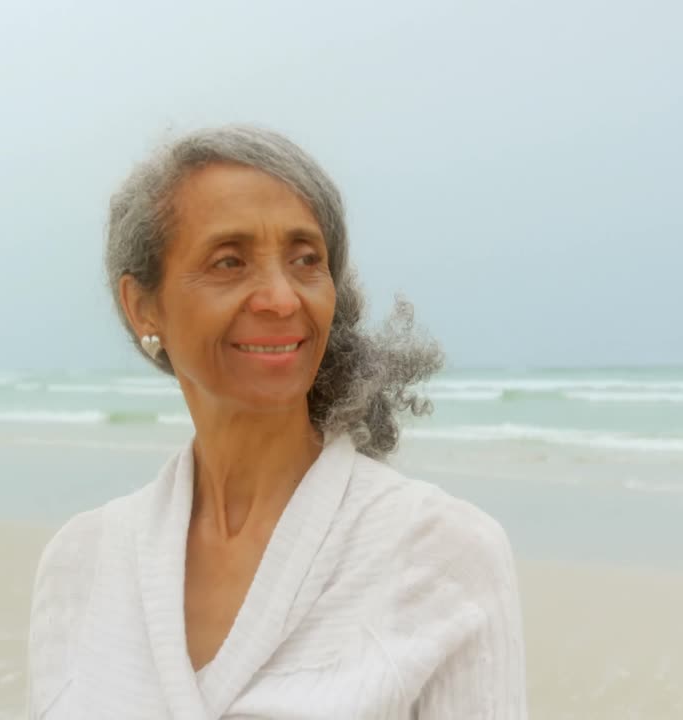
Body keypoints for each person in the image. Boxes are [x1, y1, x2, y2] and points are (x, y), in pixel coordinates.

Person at [26, 126, 527, 719]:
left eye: (306, 260)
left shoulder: (441, 553)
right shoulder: (80, 563)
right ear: (143, 307)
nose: (282, 299)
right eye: (229, 261)